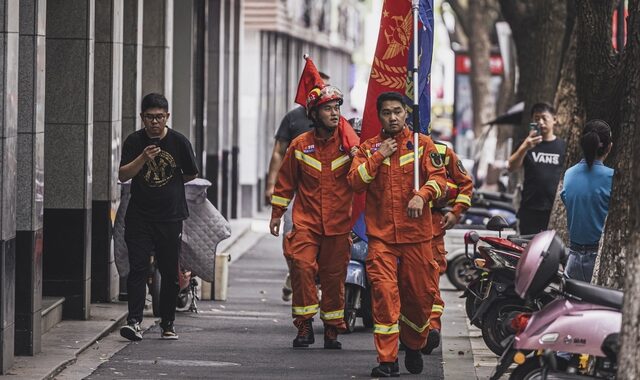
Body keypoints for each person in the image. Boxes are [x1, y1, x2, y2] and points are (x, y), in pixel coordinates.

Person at [348, 92, 447, 376]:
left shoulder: (422, 145)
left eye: (397, 112)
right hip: (381, 239)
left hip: (416, 237)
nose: (392, 117)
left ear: (406, 113)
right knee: (384, 296)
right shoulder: (369, 148)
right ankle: (387, 361)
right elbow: (355, 181)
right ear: (378, 116)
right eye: (386, 112)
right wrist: (380, 156)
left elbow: (440, 180)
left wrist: (424, 195)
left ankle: (414, 344)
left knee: (419, 298)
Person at [269, 85, 353, 350]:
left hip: (339, 225)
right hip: (306, 223)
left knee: (334, 278)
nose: (334, 113)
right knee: (302, 269)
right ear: (314, 114)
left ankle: (331, 329)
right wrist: (276, 213)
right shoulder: (300, 145)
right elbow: (285, 182)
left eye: (337, 108)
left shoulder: (349, 146)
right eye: (328, 108)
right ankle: (304, 325)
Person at [118, 93, 199, 341]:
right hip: (139, 216)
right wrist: (143, 158)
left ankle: (168, 322)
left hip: (170, 216)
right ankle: (134, 322)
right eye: (150, 117)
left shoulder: (179, 142)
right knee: (138, 268)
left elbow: (190, 174)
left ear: (167, 117)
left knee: (168, 269)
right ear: (142, 117)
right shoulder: (134, 141)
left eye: (159, 117)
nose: (155, 122)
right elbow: (123, 175)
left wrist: (170, 186)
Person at [265, 72, 330, 302]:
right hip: (296, 191)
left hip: (327, 195)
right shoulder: (293, 118)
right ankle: (295, 273)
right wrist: (272, 185)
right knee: (291, 237)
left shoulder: (336, 123)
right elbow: (278, 152)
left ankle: (312, 279)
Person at [422, 141, 473, 355]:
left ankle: (431, 330)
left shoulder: (441, 151)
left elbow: (465, 184)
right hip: (396, 231)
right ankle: (410, 333)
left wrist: (455, 211)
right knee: (399, 285)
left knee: (430, 284)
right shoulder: (388, 147)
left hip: (431, 227)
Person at [561, 120, 613, 283]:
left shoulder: (569, 174)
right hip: (599, 260)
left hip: (573, 258)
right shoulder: (612, 177)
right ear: (609, 147)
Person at [508, 102, 566, 235]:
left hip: (554, 210)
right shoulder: (525, 144)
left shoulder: (563, 147)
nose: (540, 122)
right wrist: (525, 147)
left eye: (544, 118)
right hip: (530, 209)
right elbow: (511, 166)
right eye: (536, 118)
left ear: (554, 120)